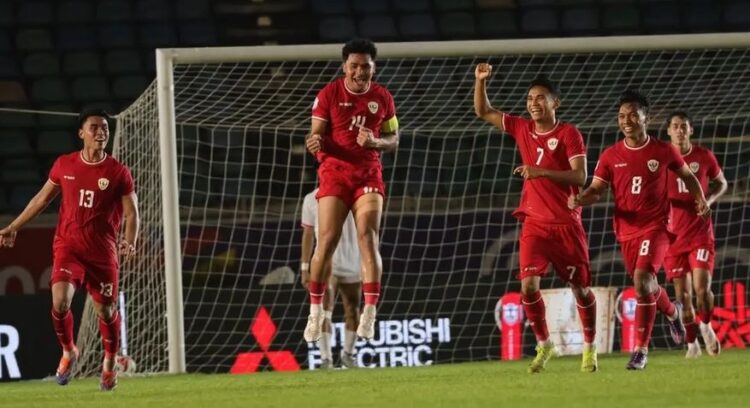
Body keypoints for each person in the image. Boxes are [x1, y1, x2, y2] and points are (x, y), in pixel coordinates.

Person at [0, 108, 139, 390]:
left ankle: (110, 361)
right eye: (95, 127)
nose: (101, 132)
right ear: (81, 133)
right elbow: (41, 200)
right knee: (60, 302)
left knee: (106, 311)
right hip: (69, 248)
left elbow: (132, 212)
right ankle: (68, 351)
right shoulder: (65, 165)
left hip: (103, 253)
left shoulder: (118, 172)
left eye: (105, 128)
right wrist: (14, 226)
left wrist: (130, 240)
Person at [474, 64, 599, 373]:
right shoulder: (521, 128)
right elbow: (484, 111)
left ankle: (590, 346)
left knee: (581, 290)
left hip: (567, 224)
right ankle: (544, 344)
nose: (533, 103)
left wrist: (540, 172)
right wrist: (480, 82)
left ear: (555, 103)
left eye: (540, 98)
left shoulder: (569, 133)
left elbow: (581, 177)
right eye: (530, 98)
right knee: (528, 287)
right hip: (534, 224)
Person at [570, 90, 707, 370]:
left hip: (657, 227)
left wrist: (700, 199)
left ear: (647, 116)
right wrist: (581, 197)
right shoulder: (611, 155)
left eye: (633, 114)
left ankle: (640, 351)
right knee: (649, 286)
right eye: (622, 116)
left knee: (642, 281)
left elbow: (688, 176)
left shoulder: (663, 150)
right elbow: (597, 189)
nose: (627, 120)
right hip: (626, 230)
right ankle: (672, 312)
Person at [303, 38, 399, 343]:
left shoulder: (383, 97)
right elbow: (315, 136)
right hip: (334, 173)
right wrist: (314, 142)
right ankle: (315, 312)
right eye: (354, 65)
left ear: (374, 67)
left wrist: (375, 142)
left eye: (365, 66)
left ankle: (370, 313)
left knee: (368, 238)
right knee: (326, 240)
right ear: (345, 66)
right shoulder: (328, 94)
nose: (360, 71)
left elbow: (394, 138)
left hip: (368, 173)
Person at [663, 111, 727, 358]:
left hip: (700, 234)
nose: (679, 130)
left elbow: (722, 183)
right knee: (683, 297)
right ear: (668, 131)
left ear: (691, 130)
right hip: (672, 239)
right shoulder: (661, 160)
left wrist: (709, 200)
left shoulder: (703, 156)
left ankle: (707, 325)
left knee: (702, 290)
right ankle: (692, 345)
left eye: (684, 126)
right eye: (675, 126)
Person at [301, 188, 362, 369]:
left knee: (354, 311)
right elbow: (308, 234)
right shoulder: (311, 198)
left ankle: (348, 355)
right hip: (327, 261)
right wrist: (305, 267)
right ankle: (326, 359)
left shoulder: (356, 194)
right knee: (323, 310)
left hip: (353, 261)